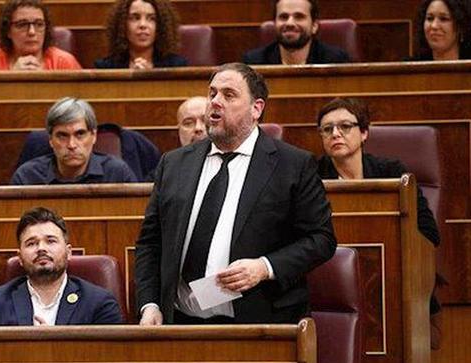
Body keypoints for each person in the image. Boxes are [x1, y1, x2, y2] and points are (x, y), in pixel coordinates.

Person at [135, 62, 336, 325]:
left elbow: (321, 239)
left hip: (258, 324)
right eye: (212, 93)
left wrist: (265, 267)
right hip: (180, 324)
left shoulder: (292, 165)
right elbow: (150, 243)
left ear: (257, 108)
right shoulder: (174, 164)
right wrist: (150, 305)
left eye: (228, 95)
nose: (216, 102)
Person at [315, 97, 442, 332]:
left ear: (364, 133)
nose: (335, 134)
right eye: (327, 129)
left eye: (345, 126)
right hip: (333, 273)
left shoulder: (393, 174)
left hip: (391, 271)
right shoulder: (312, 177)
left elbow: (428, 231)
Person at [0, 207, 124, 325]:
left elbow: (112, 358)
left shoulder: (99, 302)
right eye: (31, 243)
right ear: (20, 257)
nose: (41, 248)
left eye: (51, 241)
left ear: (68, 252)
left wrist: (53, 347)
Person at [11, 98, 137, 184]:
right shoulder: (27, 177)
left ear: (94, 136)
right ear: (50, 139)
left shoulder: (117, 173)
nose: (71, 145)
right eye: (62, 136)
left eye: (80, 134)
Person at [0, 0, 81, 70]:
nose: (32, 32)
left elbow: (79, 101)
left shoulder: (64, 62)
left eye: (39, 24)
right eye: (22, 25)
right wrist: (11, 78)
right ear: (8, 31)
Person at [242, 0, 351, 65]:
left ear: (314, 26)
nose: (290, 23)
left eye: (299, 17)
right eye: (283, 17)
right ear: (274, 23)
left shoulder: (337, 61)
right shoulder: (254, 62)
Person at [94, 0, 187, 69]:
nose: (143, 25)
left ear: (161, 26)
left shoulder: (176, 65)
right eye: (135, 18)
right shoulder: (105, 67)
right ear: (122, 25)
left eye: (151, 19)